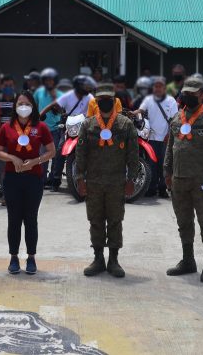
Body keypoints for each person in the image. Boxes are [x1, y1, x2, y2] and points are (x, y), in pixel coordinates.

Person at [163, 77, 203, 283]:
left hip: (202, 181)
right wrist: (166, 172)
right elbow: (170, 148)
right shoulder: (177, 119)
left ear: (202, 95)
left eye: (193, 93)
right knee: (184, 222)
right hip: (179, 180)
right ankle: (188, 260)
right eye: (186, 93)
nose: (188, 96)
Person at [75, 84, 139, 278]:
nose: (104, 102)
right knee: (95, 221)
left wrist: (131, 179)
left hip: (116, 182)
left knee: (115, 221)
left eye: (108, 99)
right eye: (100, 99)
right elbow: (81, 154)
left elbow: (133, 154)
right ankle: (98, 258)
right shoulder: (88, 125)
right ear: (96, 101)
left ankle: (113, 260)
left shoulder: (125, 124)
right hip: (93, 182)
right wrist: (79, 178)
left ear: (114, 101)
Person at [0, 90, 54, 276]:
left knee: (30, 219)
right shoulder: (7, 127)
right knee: (14, 219)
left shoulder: (41, 127)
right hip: (12, 178)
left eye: (27, 104)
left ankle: (31, 257)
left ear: (33, 107)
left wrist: (36, 161)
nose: (23, 107)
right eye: (20, 103)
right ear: (14, 106)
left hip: (34, 178)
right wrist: (12, 158)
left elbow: (51, 151)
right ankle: (13, 257)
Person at [137, 76, 177, 198]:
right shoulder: (148, 99)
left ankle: (163, 188)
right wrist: (135, 114)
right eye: (156, 86)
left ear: (164, 88)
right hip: (151, 138)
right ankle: (151, 188)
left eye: (160, 86)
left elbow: (175, 120)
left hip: (166, 139)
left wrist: (170, 134)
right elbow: (140, 111)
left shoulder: (171, 101)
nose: (158, 88)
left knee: (165, 165)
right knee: (152, 165)